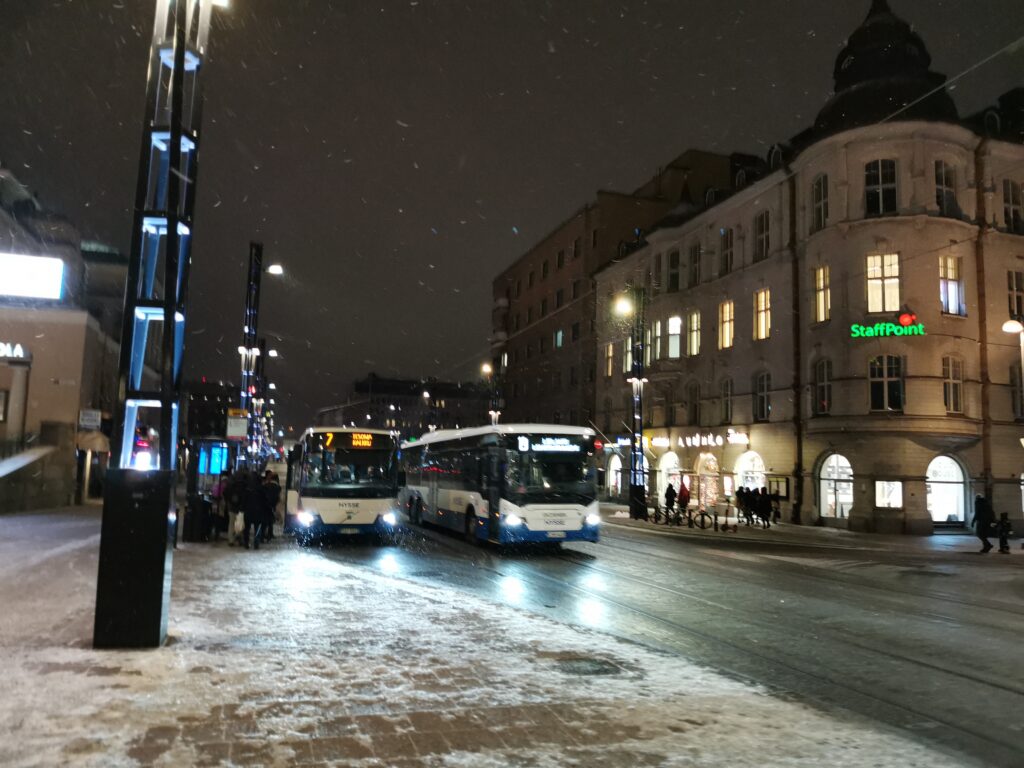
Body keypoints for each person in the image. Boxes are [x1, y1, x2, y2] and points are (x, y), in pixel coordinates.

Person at [242, 473, 270, 550]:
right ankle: (256, 542)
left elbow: (244, 501)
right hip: (258, 512)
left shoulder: (247, 489)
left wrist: (242, 509)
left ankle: (246, 542)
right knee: (257, 528)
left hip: (248, 512)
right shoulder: (262, 489)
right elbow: (265, 501)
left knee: (247, 528)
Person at [262, 471, 282, 543]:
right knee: (271, 520)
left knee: (265, 520)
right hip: (273, 506)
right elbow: (278, 498)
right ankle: (270, 534)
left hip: (265, 505)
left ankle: (263, 535)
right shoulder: (278, 487)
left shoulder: (265, 485)